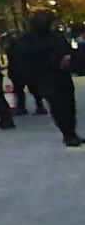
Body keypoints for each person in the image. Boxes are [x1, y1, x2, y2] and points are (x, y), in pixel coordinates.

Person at [12, 11, 82, 147]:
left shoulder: (55, 36)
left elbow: (67, 50)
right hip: (45, 78)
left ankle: (71, 132)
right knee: (58, 107)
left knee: (69, 106)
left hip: (62, 76)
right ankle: (67, 134)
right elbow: (25, 58)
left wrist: (69, 58)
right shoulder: (27, 40)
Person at [4, 30, 47, 117]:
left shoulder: (11, 48)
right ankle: (38, 106)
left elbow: (12, 61)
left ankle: (23, 108)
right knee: (31, 90)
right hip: (27, 71)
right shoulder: (25, 46)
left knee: (21, 91)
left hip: (20, 72)